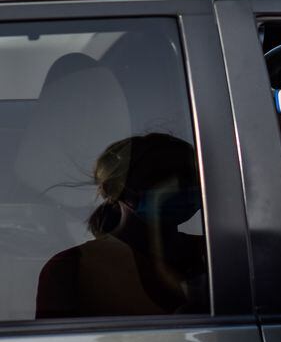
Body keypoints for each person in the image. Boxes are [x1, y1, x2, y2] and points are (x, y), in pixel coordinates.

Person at [36, 133, 208, 318]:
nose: (187, 190)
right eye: (171, 182)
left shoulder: (216, 253)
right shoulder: (72, 267)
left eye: (193, 180)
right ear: (123, 191)